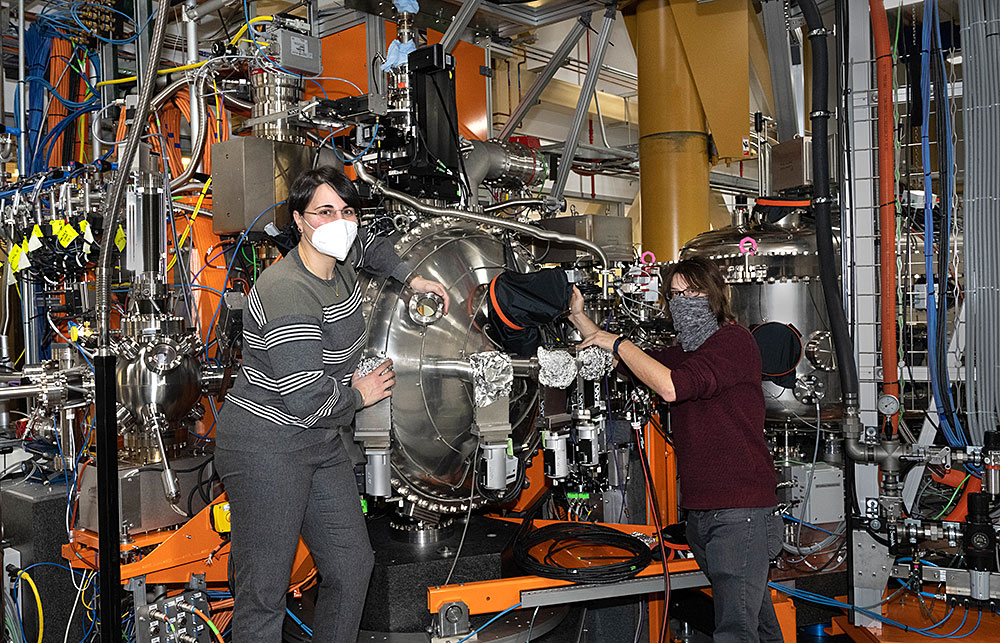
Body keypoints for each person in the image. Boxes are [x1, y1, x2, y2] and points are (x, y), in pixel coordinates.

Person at [215, 166, 450, 642]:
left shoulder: (339, 259)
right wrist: (360, 394)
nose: (339, 222)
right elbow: (306, 398)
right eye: (325, 212)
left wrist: (413, 279)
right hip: (268, 447)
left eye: (347, 212)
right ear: (299, 220)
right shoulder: (287, 290)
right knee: (264, 594)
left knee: (352, 566)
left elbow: (374, 248)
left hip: (320, 444)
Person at [567, 256, 781, 643]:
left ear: (715, 294)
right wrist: (583, 322)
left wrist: (617, 341)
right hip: (703, 512)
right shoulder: (685, 352)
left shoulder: (734, 342)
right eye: (675, 294)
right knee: (756, 624)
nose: (684, 301)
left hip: (740, 512)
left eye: (693, 291)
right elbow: (630, 366)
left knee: (735, 631)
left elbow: (670, 387)